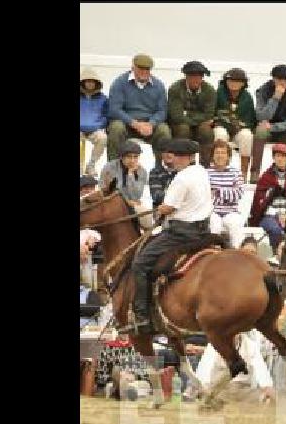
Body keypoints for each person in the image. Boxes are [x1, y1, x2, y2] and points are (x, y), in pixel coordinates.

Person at [129, 139, 212, 331]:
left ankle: (142, 316)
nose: (174, 159)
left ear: (190, 157)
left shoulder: (181, 178)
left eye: (179, 156)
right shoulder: (201, 172)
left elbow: (168, 208)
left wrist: (160, 209)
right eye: (174, 154)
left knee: (139, 264)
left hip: (181, 233)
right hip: (204, 230)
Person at [106, 54, 172, 167]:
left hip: (149, 125)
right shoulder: (120, 83)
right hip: (126, 124)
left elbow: (162, 111)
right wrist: (134, 123)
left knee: (164, 130)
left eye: (147, 69)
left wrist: (151, 123)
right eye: (141, 68)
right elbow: (115, 109)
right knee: (116, 128)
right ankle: (114, 169)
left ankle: (161, 170)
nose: (144, 72)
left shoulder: (158, 85)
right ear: (133, 68)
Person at [248, 143, 286, 252]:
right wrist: (276, 210)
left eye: (284, 156)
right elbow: (259, 201)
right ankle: (277, 255)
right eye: (278, 156)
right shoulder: (266, 177)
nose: (280, 159)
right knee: (275, 229)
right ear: (274, 158)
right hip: (268, 215)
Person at [252, 64, 286, 179]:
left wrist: (274, 127)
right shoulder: (263, 90)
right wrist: (275, 98)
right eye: (279, 79)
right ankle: (255, 173)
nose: (282, 82)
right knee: (260, 131)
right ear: (273, 79)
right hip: (266, 129)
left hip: (285, 129)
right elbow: (261, 116)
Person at [167, 61, 217, 166]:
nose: (196, 79)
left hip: (199, 124)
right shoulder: (175, 89)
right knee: (183, 128)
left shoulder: (209, 90)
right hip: (180, 124)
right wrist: (198, 118)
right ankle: (184, 164)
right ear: (186, 77)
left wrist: (188, 115)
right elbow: (176, 116)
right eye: (192, 76)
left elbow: (209, 115)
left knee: (206, 130)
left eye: (199, 77)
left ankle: (205, 165)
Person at [212, 68, 257, 181]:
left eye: (237, 81)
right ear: (225, 81)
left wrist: (239, 126)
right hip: (222, 126)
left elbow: (251, 120)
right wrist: (224, 122)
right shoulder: (218, 93)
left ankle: (243, 174)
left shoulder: (247, 97)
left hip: (239, 129)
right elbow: (213, 114)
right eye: (230, 80)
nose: (233, 83)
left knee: (247, 136)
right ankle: (220, 171)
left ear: (243, 83)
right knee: (220, 134)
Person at [98, 140, 154, 229]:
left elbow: (136, 195)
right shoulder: (110, 167)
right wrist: (126, 201)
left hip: (132, 204)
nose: (132, 160)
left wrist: (131, 174)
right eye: (129, 157)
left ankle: (145, 240)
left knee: (146, 215)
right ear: (121, 157)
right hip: (110, 201)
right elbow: (108, 189)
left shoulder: (142, 171)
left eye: (135, 157)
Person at [207, 140, 247, 248]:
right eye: (217, 153)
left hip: (231, 211)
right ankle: (212, 256)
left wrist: (218, 191)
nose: (220, 156)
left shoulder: (236, 173)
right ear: (212, 155)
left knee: (236, 225)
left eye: (223, 153)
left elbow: (238, 194)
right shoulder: (206, 173)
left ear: (228, 156)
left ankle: (238, 255)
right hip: (212, 211)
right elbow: (205, 195)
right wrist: (228, 193)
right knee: (214, 224)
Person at [80, 67, 109, 176]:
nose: (90, 84)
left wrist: (99, 124)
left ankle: (91, 165)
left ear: (96, 83)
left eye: (92, 81)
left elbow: (107, 115)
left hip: (95, 130)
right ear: (83, 82)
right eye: (87, 81)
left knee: (103, 138)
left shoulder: (103, 99)